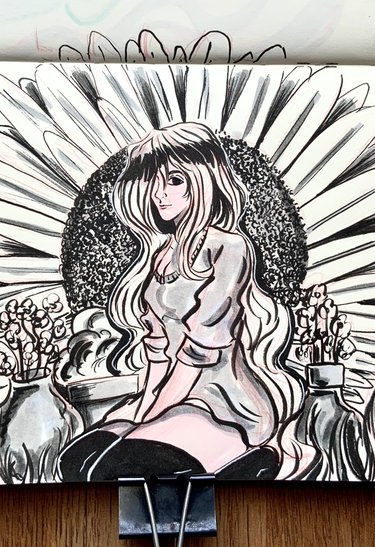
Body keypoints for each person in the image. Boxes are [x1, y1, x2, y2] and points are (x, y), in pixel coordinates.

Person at [59, 122, 302, 481]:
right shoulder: (159, 256)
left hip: (220, 400)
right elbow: (158, 350)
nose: (159, 194)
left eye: (174, 180)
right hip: (170, 393)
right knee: (78, 462)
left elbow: (202, 349)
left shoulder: (228, 247)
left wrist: (152, 414)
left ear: (204, 180)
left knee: (127, 463)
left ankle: (251, 456)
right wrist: (144, 407)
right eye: (153, 181)